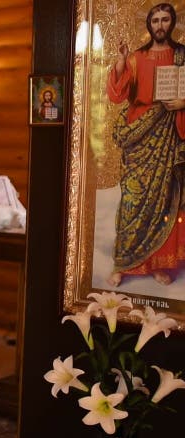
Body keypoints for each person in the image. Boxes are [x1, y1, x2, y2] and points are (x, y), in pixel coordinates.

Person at [106, 2, 185, 286]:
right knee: (132, 199)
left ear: (172, 22)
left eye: (165, 20)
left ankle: (156, 264)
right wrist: (119, 62)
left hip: (169, 132)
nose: (160, 25)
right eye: (155, 21)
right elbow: (118, 95)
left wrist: (183, 103)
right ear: (149, 25)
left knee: (163, 201)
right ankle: (123, 263)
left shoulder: (181, 56)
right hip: (139, 134)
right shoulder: (136, 58)